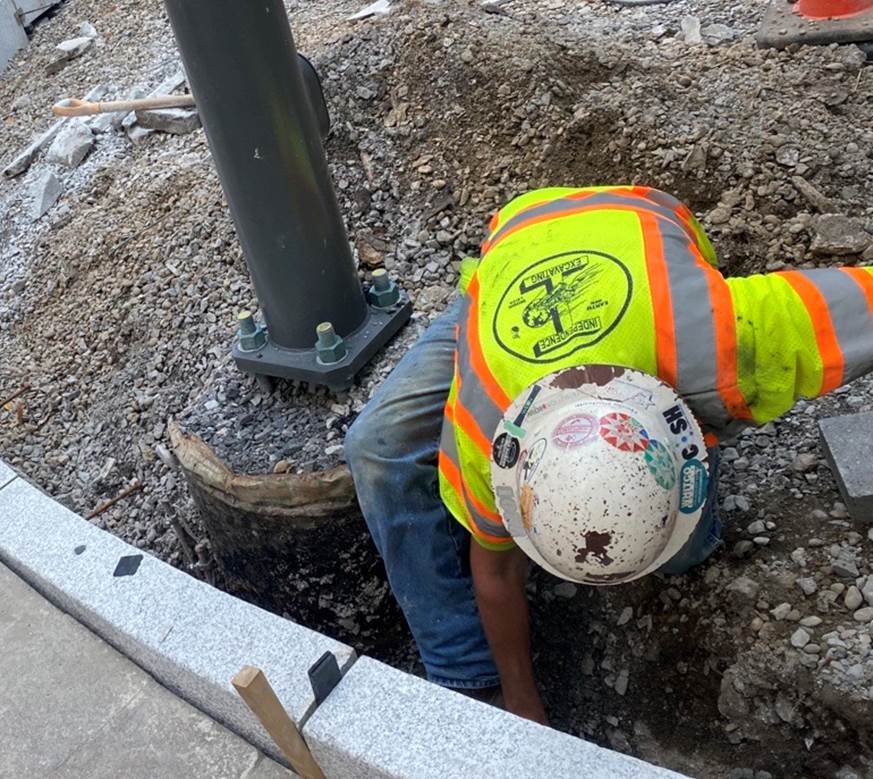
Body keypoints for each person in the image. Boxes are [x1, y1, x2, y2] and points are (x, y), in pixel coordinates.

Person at [345, 185, 873, 725]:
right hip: (518, 255)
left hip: (643, 221)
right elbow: (497, 570)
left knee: (684, 552)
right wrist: (521, 704)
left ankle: (683, 524)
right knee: (374, 446)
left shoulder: (730, 338)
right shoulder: (485, 437)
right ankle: (463, 679)